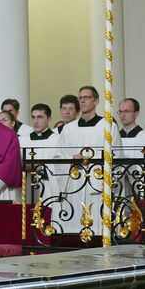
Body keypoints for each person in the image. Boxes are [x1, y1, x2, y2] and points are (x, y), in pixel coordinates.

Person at [56, 85, 123, 234]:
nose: (82, 101)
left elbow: (116, 155)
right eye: (80, 98)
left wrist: (90, 161)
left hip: (97, 185)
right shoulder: (68, 129)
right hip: (74, 184)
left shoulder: (107, 126)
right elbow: (58, 155)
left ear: (97, 101)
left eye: (87, 97)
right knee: (75, 229)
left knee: (98, 229)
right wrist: (72, 159)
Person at [20, 103, 63, 203]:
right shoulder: (22, 140)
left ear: (49, 119)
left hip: (49, 187)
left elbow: (62, 165)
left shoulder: (58, 139)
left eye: (40, 117)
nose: (35, 121)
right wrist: (24, 166)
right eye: (33, 117)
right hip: (28, 186)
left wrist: (42, 167)